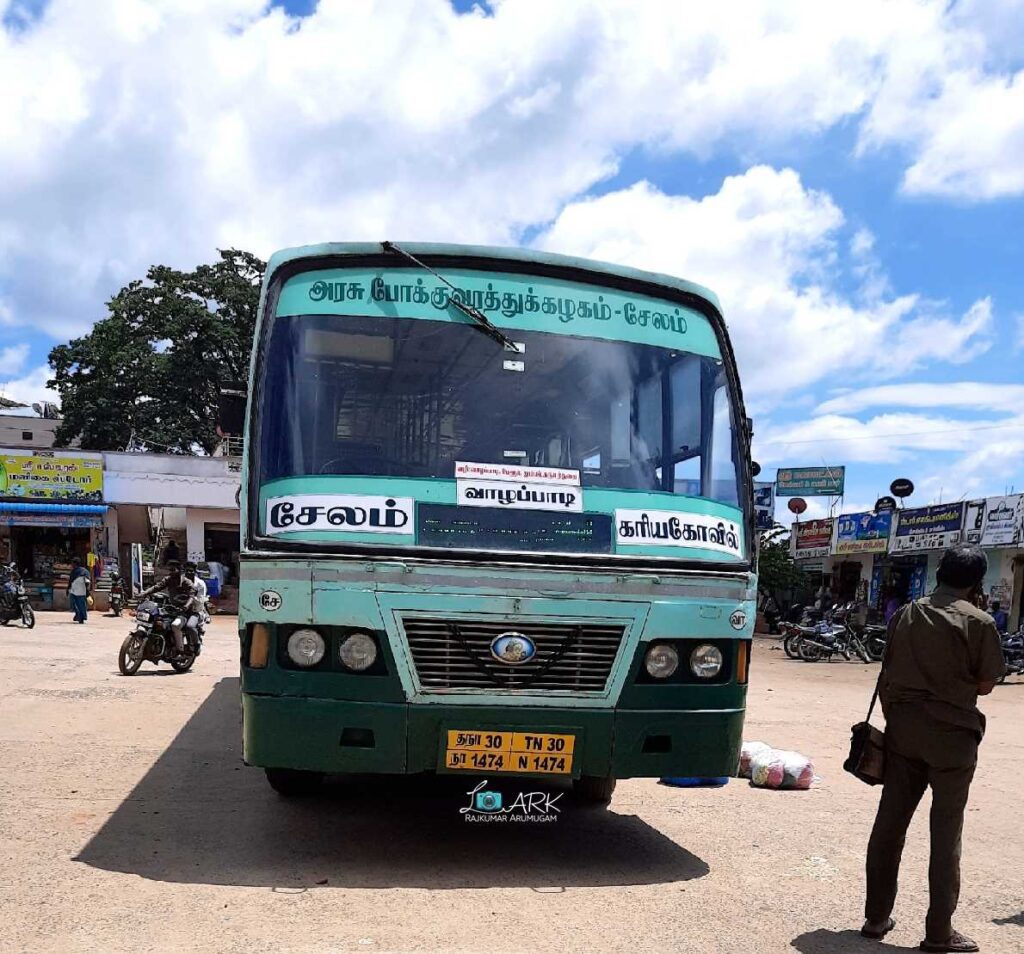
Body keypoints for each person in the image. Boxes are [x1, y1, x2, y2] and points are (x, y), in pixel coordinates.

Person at [862, 544, 1005, 953]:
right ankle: (939, 933)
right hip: (953, 739)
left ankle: (875, 918)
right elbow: (987, 683)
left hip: (903, 733)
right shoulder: (979, 622)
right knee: (946, 833)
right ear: (976, 582)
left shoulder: (906, 613)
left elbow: (886, 673)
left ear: (938, 572)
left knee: (889, 825)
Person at [136, 560, 196, 656]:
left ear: (179, 571)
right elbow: (156, 587)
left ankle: (180, 650)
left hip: (183, 612)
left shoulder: (186, 582)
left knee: (175, 625)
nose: (171, 572)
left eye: (173, 569)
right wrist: (144, 593)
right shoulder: (168, 579)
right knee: (155, 621)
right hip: (171, 609)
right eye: (170, 569)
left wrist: (186, 606)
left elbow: (192, 596)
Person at [182, 562, 209, 647]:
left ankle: (196, 643)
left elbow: (200, 600)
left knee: (190, 626)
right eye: (187, 571)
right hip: (180, 609)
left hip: (195, 610)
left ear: (195, 571)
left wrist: (188, 601)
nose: (189, 573)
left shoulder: (200, 584)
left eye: (191, 571)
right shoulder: (179, 580)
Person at [67, 556, 91, 624]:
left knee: (80, 605)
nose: (71, 565)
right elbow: (70, 581)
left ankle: (81, 617)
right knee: (75, 604)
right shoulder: (75, 571)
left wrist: (87, 590)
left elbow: (87, 581)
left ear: (75, 564)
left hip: (80, 591)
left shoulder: (83, 571)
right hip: (74, 590)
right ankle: (78, 615)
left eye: (72, 563)